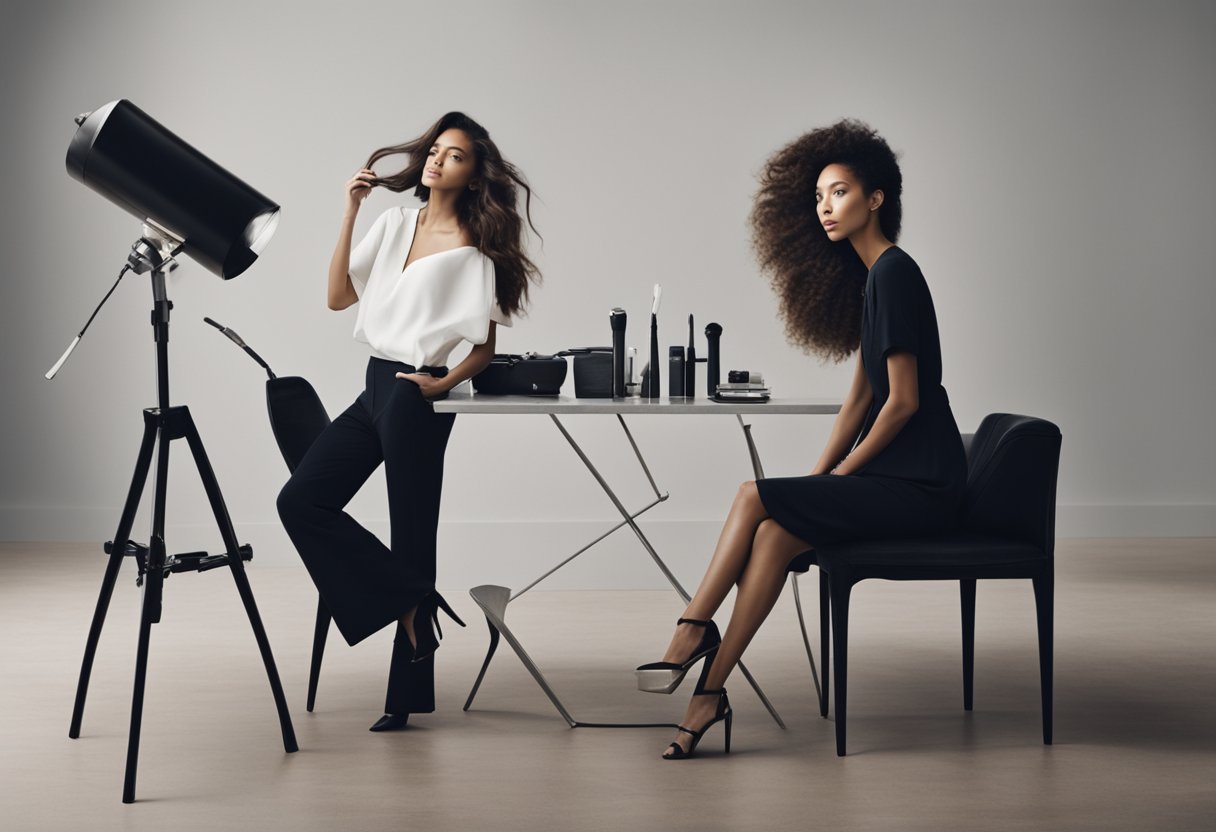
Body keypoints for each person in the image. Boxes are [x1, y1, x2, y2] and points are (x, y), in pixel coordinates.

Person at [635, 118, 967, 759]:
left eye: (838, 192)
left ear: (876, 199)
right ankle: (709, 691)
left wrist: (837, 480)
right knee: (777, 527)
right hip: (895, 480)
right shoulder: (875, 279)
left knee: (751, 494)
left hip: (922, 486)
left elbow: (903, 404)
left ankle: (691, 627)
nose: (825, 208)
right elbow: (857, 404)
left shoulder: (896, 274)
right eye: (817, 198)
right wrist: (818, 480)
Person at [277, 111, 540, 732]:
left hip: (418, 395)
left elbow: (483, 348)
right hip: (374, 386)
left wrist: (442, 384)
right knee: (301, 502)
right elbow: (339, 297)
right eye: (435, 151)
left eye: (454, 156)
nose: (436, 161)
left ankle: (405, 699)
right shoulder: (395, 222)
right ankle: (413, 601)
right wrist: (350, 212)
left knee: (412, 534)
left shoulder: (475, 253)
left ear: (475, 176)